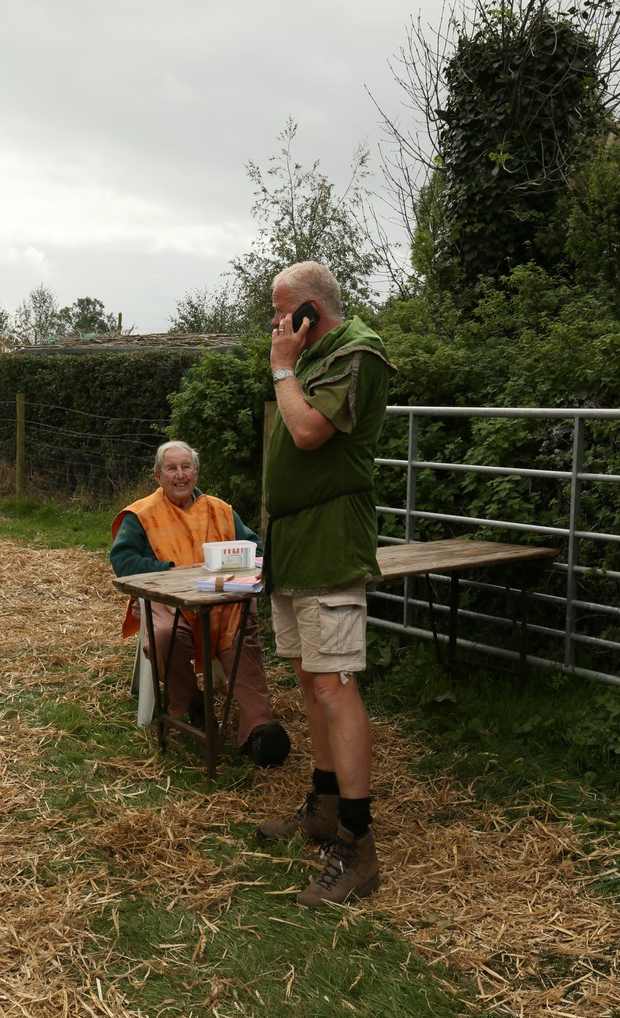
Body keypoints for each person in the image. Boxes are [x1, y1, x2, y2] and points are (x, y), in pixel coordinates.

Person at [256, 261, 396, 907]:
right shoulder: (314, 355)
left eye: (283, 313)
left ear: (310, 309)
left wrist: (283, 367)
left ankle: (357, 844)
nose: (276, 325)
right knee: (310, 680)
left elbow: (308, 431)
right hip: (292, 544)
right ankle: (323, 803)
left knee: (336, 687)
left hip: (331, 540)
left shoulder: (356, 351)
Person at [110, 440, 290, 768]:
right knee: (164, 635)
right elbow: (123, 562)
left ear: (196, 471)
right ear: (158, 476)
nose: (180, 475)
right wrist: (170, 572)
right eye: (172, 468)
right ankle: (193, 702)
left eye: (186, 467)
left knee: (241, 636)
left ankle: (259, 732)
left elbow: (256, 548)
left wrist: (242, 567)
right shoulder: (141, 515)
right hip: (168, 603)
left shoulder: (219, 509)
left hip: (221, 602)